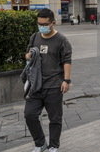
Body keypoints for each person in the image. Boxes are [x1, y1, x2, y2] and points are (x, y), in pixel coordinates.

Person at [24, 8, 72, 152]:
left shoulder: (62, 40)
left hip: (54, 85)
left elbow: (67, 61)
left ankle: (53, 145)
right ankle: (40, 143)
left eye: (45, 24)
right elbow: (27, 54)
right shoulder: (35, 37)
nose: (42, 27)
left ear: (53, 23)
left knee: (55, 118)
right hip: (35, 85)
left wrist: (66, 80)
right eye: (39, 24)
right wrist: (29, 56)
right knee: (29, 114)